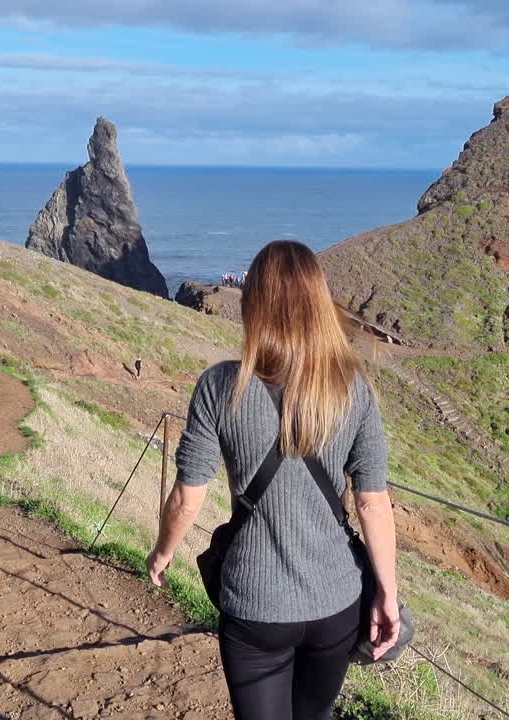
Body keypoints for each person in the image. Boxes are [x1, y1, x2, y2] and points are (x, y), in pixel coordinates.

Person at [146, 241, 399, 720]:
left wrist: (162, 553)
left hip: (254, 603)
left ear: (252, 304)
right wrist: (386, 592)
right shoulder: (352, 385)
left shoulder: (220, 386)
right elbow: (373, 502)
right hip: (336, 603)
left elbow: (187, 498)